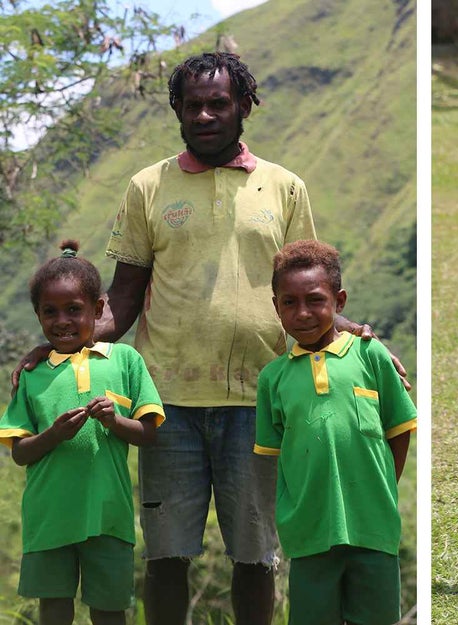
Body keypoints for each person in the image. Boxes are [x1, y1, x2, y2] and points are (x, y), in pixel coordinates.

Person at [10, 52, 404, 624]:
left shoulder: (284, 187)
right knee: (167, 552)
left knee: (255, 553)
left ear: (244, 106)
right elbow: (121, 298)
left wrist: (365, 339)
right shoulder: (148, 187)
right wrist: (57, 348)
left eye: (218, 103)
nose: (204, 115)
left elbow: (306, 287)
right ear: (177, 110)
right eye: (191, 105)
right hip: (164, 403)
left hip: (262, 399)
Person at [254, 240, 416, 625]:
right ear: (276, 308)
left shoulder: (370, 354)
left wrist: (382, 489)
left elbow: (399, 428)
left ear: (339, 302)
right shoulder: (272, 379)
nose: (303, 313)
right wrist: (285, 516)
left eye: (315, 300)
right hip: (308, 534)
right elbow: (270, 458)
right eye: (289, 303)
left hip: (373, 527)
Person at [0, 241, 163, 624]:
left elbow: (148, 431)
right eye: (49, 312)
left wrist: (114, 421)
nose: (62, 321)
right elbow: (20, 452)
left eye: (74, 310)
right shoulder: (32, 374)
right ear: (38, 316)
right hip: (49, 516)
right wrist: (52, 435)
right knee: (54, 609)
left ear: (99, 308)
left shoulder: (124, 360)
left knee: (109, 610)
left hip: (109, 514)